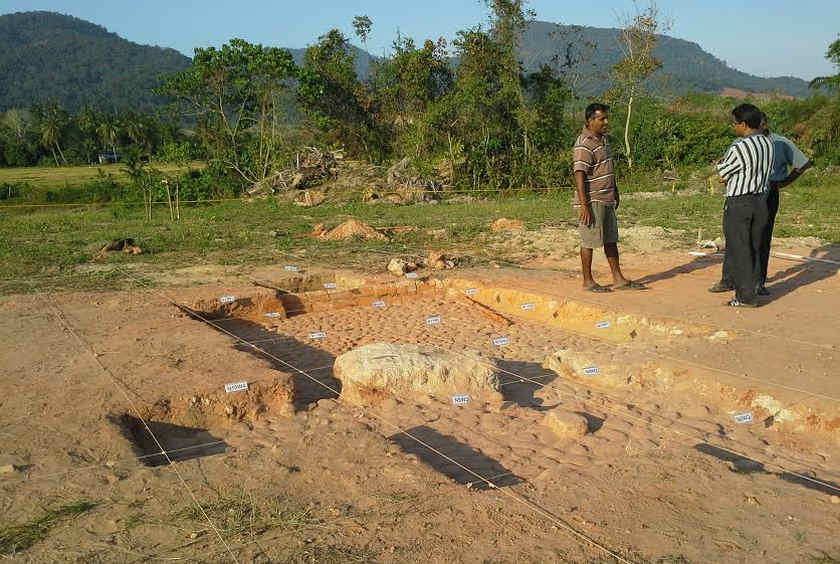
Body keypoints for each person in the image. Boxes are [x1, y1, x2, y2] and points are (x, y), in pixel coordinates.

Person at [572, 103, 645, 292]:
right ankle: (588, 281)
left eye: (606, 118)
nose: (606, 122)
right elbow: (579, 174)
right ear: (590, 121)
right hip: (592, 200)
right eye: (602, 119)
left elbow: (606, 168)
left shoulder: (604, 140)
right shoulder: (584, 143)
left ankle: (618, 278)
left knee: (610, 240)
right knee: (589, 241)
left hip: (607, 198)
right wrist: (584, 205)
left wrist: (615, 190)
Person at [708, 103, 774, 307]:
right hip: (761, 200)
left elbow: (722, 175)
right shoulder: (768, 143)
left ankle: (745, 296)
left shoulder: (739, 146)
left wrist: (721, 164)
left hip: (740, 201)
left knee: (739, 248)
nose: (733, 127)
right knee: (755, 246)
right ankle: (754, 285)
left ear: (744, 125)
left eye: (734, 123)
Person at [755, 113, 812, 295]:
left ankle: (758, 281)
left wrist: (785, 181)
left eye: (759, 123)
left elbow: (803, 164)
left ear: (764, 124)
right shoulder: (744, 142)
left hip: (769, 191)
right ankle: (735, 278)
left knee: (763, 236)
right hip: (745, 193)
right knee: (741, 236)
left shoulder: (780, 142)